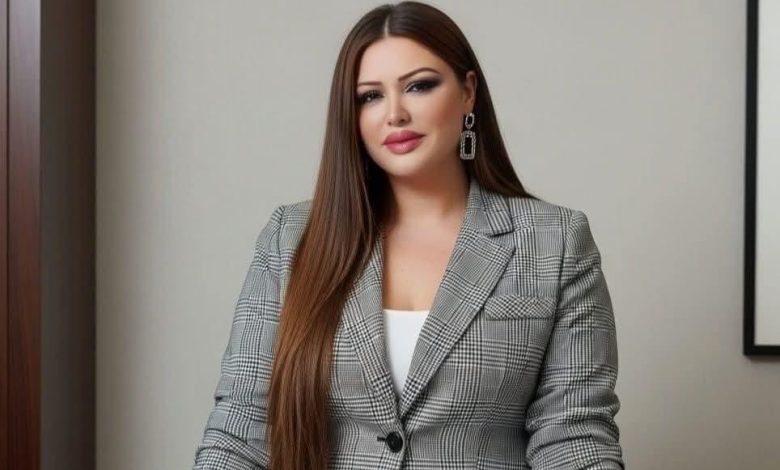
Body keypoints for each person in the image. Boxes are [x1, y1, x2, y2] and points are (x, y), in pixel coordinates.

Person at [193, 2, 624, 469]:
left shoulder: (554, 242)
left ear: (467, 92)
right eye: (370, 97)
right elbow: (241, 430)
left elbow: (572, 436)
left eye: (418, 86)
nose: (395, 114)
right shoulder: (290, 239)